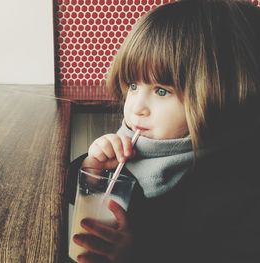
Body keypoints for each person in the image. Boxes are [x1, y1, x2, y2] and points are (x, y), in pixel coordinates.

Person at [68, 0, 260, 262]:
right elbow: (70, 190)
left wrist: (135, 255)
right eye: (133, 85)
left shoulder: (235, 188)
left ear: (222, 95)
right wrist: (92, 170)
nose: (137, 107)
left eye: (161, 91)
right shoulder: (135, 144)